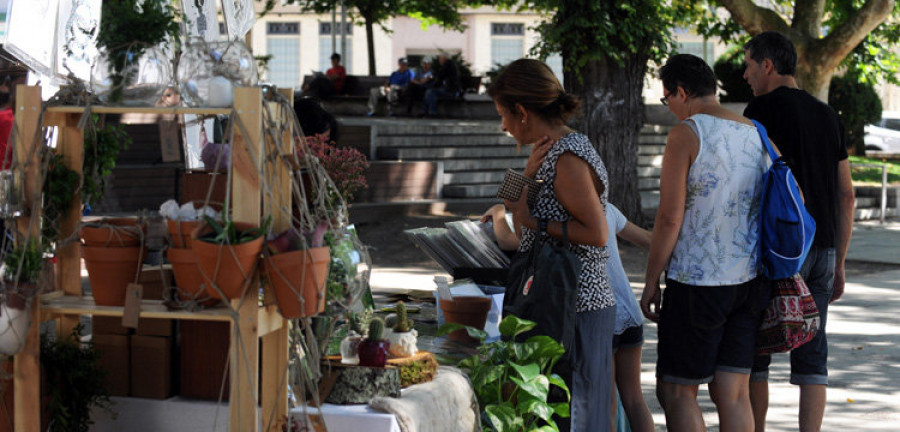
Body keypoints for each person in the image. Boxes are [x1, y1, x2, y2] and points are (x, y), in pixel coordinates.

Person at [640, 54, 769, 432]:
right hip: (747, 280)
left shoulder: (687, 133)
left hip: (697, 282)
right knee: (734, 393)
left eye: (667, 99)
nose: (670, 109)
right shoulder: (756, 131)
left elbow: (669, 217)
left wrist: (651, 280)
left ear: (681, 92)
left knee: (679, 391)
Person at [489, 58, 614, 432]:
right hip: (555, 299)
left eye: (504, 116)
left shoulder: (568, 156)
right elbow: (514, 207)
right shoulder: (549, 149)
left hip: (577, 304)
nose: (503, 126)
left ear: (522, 112)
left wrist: (534, 221)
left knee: (574, 414)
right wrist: (523, 177)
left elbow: (597, 233)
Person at [742, 31, 856, 432]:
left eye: (749, 64)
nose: (745, 74)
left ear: (767, 66)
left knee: (757, 353)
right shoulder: (829, 115)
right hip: (823, 248)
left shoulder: (759, 112)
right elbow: (847, 197)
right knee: (813, 355)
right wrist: (839, 262)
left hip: (777, 250)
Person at [421, 53, 461, 117]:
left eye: (440, 59)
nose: (439, 61)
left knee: (430, 92)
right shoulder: (449, 65)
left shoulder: (447, 65)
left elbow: (439, 78)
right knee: (429, 91)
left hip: (451, 91)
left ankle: (431, 112)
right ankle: (424, 111)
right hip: (451, 89)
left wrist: (430, 85)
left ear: (444, 58)